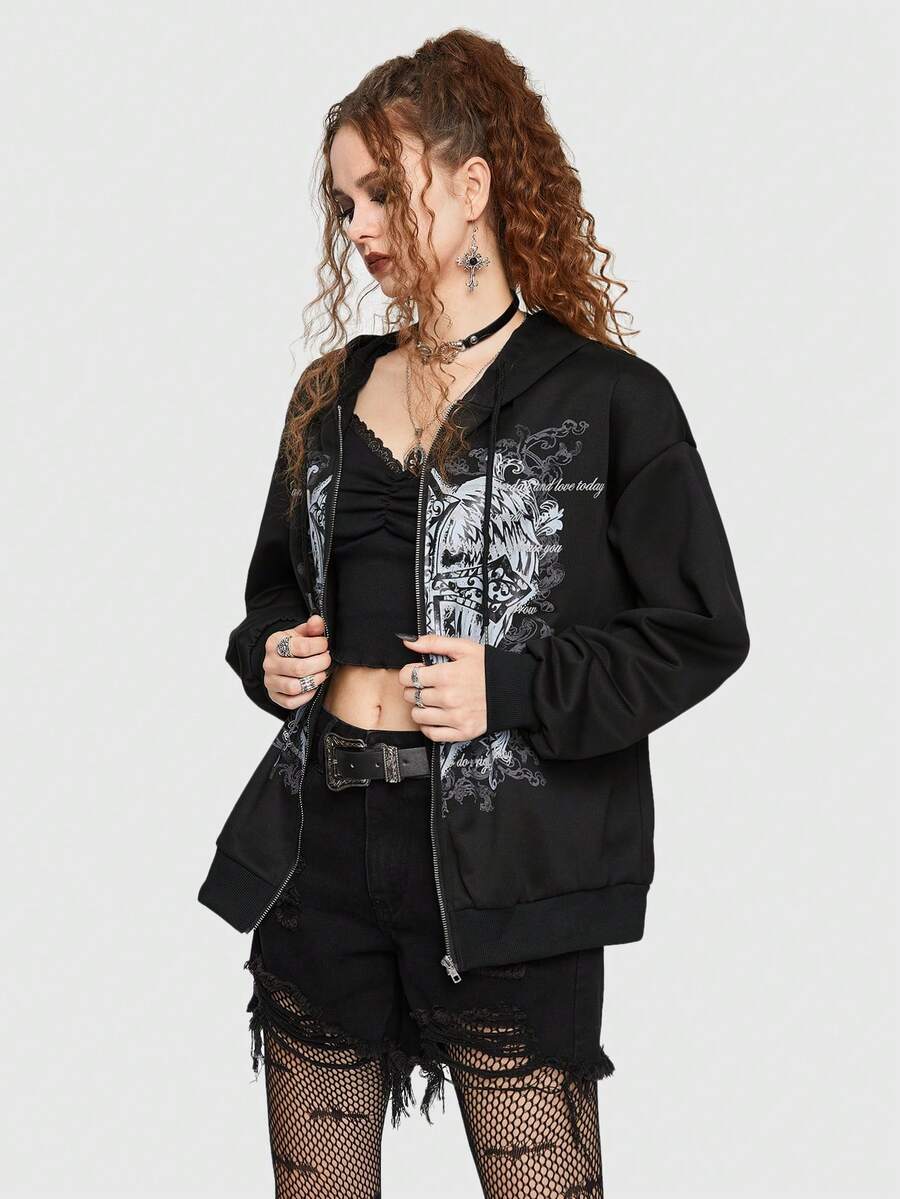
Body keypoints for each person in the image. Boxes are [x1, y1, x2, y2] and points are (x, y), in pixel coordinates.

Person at [198, 27, 751, 1199]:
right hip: (319, 847)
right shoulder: (328, 394)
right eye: (344, 203)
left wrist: (513, 686)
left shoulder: (610, 400)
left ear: (471, 185)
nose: (359, 227)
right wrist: (271, 652)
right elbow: (272, 589)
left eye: (382, 192)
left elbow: (700, 627)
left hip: (513, 868)